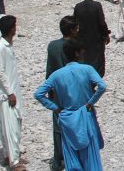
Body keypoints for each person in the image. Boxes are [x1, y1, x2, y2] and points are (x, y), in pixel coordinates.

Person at [34, 38, 107, 171]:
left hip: (67, 118)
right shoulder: (87, 69)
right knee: (90, 156)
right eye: (82, 50)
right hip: (85, 115)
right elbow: (102, 86)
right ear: (77, 53)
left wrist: (55, 108)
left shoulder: (56, 75)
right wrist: (91, 102)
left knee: (72, 157)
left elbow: (38, 94)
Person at [44, 16, 78, 171]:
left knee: (58, 126)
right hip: (74, 91)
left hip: (57, 90)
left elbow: (49, 69)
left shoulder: (52, 46)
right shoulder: (74, 46)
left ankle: (59, 159)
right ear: (72, 30)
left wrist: (49, 89)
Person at [0, 15, 24, 171]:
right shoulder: (0, 48)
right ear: (11, 29)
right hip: (7, 95)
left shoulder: (7, 46)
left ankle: (11, 154)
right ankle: (14, 161)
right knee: (10, 126)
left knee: (14, 124)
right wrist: (10, 93)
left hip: (12, 92)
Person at [73, 0, 111, 77]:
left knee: (84, 58)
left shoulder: (78, 6)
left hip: (82, 38)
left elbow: (75, 22)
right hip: (96, 38)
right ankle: (95, 78)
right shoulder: (97, 5)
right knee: (97, 59)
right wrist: (106, 34)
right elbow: (101, 22)